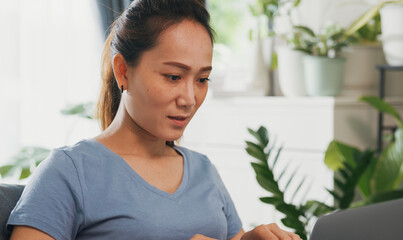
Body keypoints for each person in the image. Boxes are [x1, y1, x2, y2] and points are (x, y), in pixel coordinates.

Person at [7, 0, 302, 239]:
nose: (189, 98)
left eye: (202, 78)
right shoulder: (70, 172)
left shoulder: (203, 170)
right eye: (173, 76)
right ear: (123, 71)